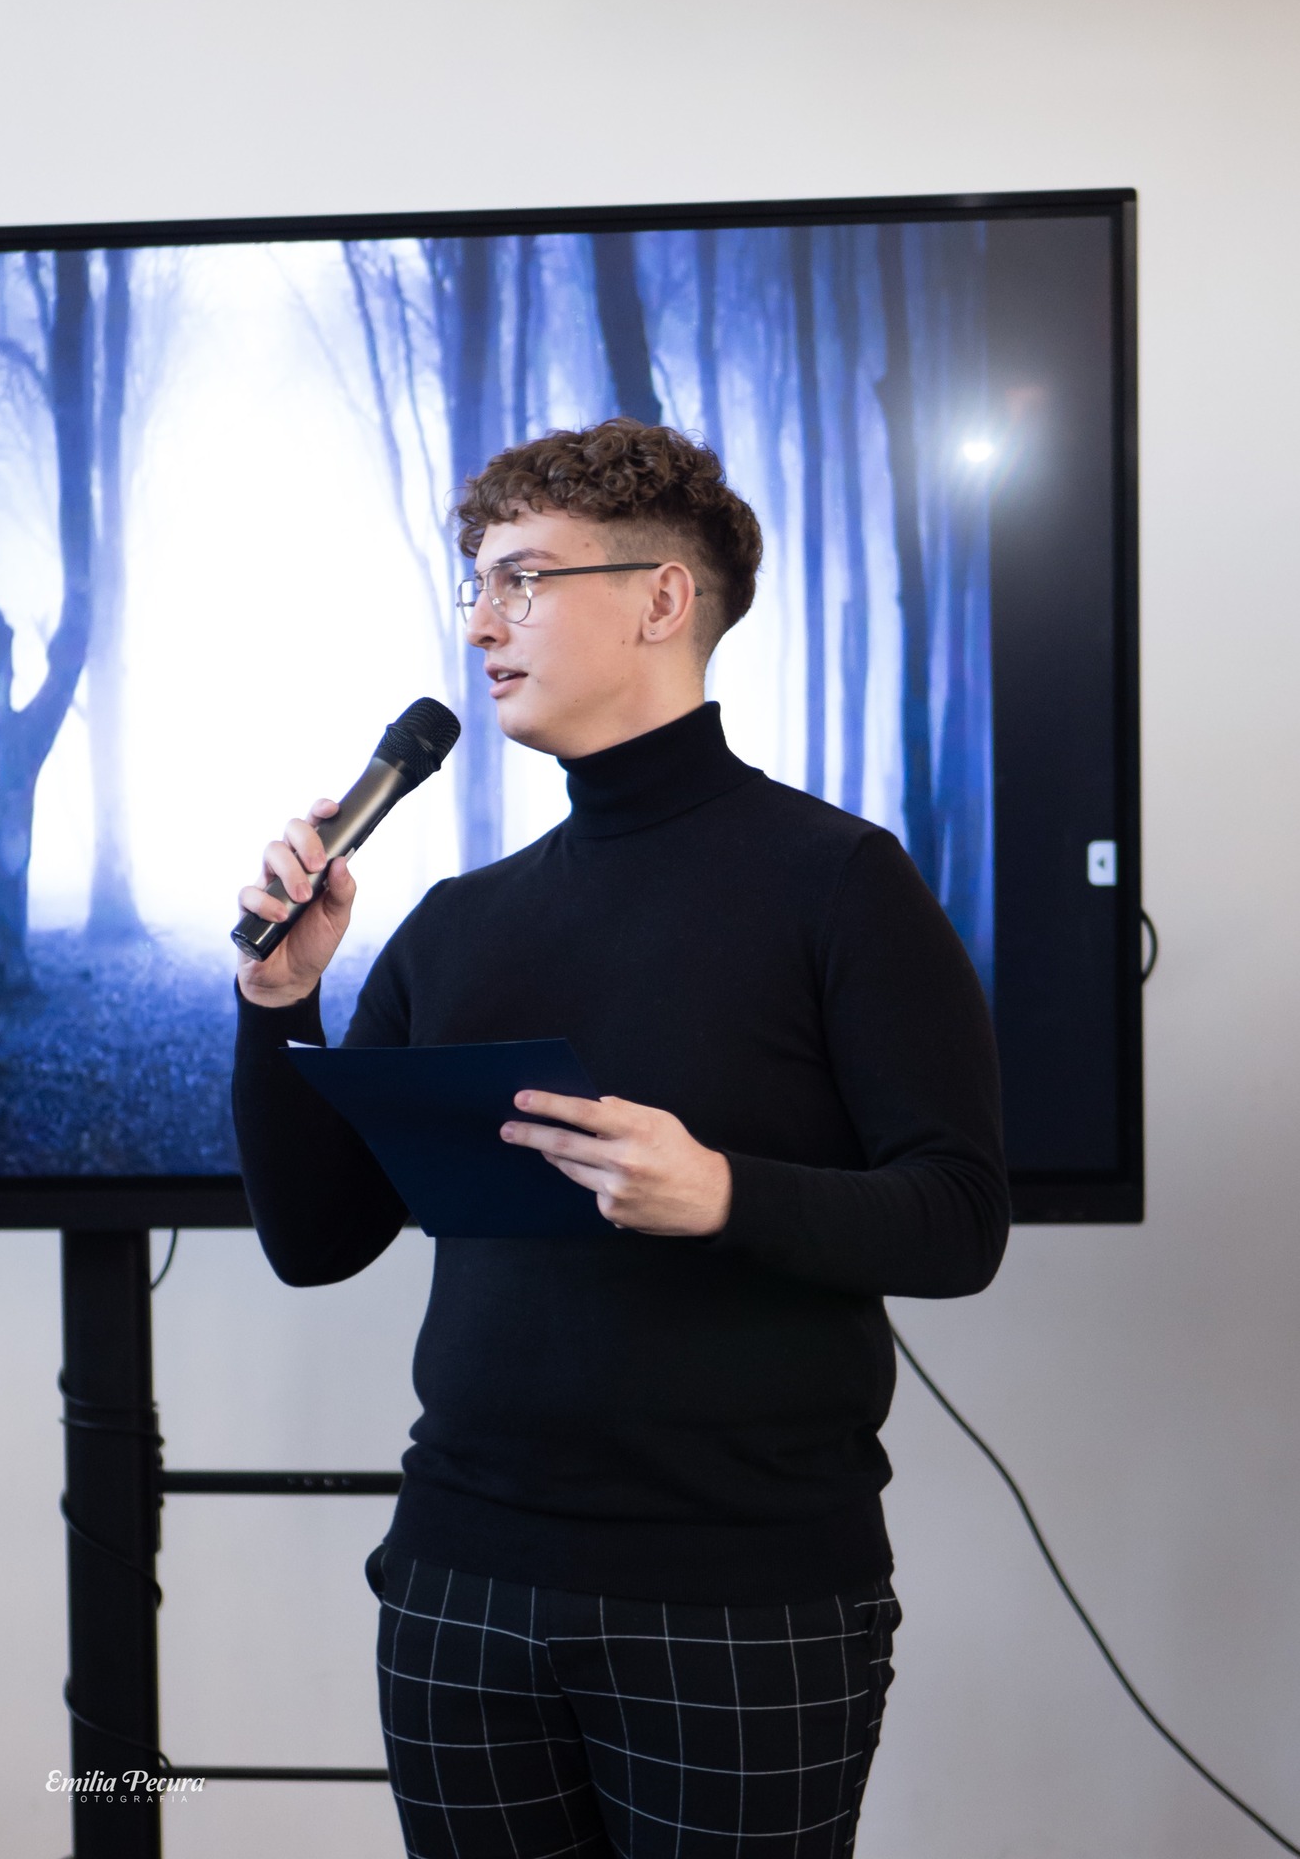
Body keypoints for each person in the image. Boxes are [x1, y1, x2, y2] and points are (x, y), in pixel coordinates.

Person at [231, 417, 1008, 1859]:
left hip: (744, 1604)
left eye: (522, 578)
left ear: (662, 598)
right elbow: (315, 1240)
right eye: (476, 584)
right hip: (459, 1585)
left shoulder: (842, 883)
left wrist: (723, 1194)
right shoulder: (459, 922)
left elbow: (960, 1220)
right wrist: (280, 1007)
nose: (480, 624)